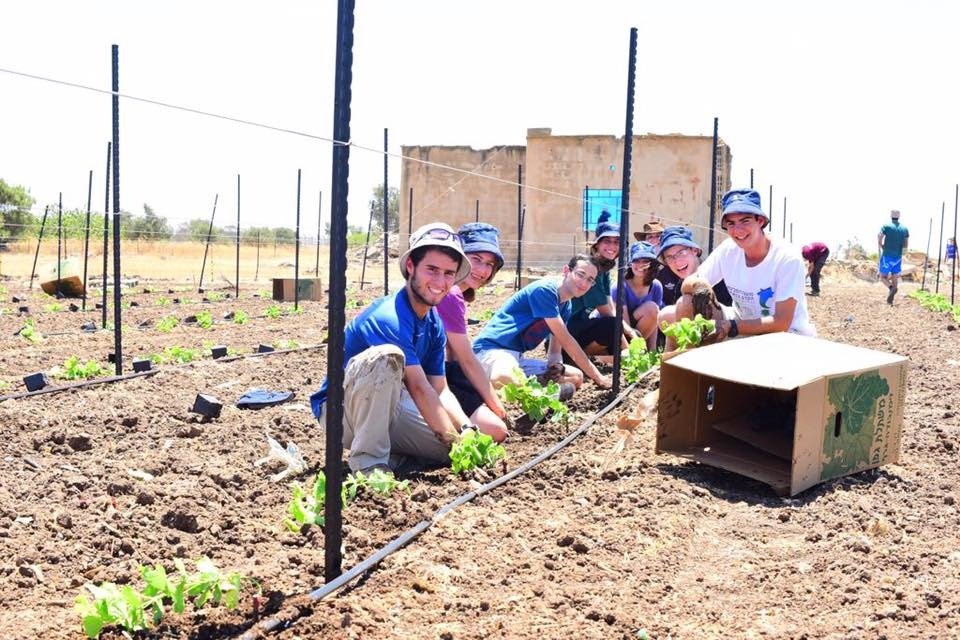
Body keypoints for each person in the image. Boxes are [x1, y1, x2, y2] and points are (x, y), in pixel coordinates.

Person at [309, 222, 476, 474]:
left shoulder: (434, 323)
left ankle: (395, 457)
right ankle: (369, 465)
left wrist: (466, 430)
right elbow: (419, 388)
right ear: (410, 266)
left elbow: (439, 389)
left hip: (389, 405)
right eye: (432, 269)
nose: (440, 281)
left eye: (449, 273)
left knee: (448, 452)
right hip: (341, 412)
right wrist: (456, 443)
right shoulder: (389, 317)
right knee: (388, 356)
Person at [671, 188, 814, 347]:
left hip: (785, 335)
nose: (738, 230)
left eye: (745, 221)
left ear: (760, 221)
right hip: (740, 323)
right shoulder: (728, 250)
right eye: (731, 223)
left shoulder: (786, 258)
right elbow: (689, 282)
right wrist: (700, 286)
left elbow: (781, 322)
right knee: (685, 303)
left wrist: (731, 327)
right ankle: (687, 359)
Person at [473, 254, 612, 392]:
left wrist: (557, 365)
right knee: (503, 377)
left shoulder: (566, 306)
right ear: (566, 271)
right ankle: (540, 394)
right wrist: (598, 377)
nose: (584, 283)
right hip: (492, 351)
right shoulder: (545, 290)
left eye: (590, 280)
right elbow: (567, 341)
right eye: (580, 274)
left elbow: (555, 352)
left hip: (516, 357)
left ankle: (529, 391)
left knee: (576, 376)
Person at [435, 222, 509, 442]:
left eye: (490, 264)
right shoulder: (450, 294)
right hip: (426, 378)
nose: (483, 270)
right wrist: (497, 406)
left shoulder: (455, 293)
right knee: (496, 430)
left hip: (438, 372)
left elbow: (456, 356)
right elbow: (466, 359)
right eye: (476, 259)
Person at [565, 210, 636, 361]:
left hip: (581, 327)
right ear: (597, 245)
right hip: (566, 334)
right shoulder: (592, 270)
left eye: (616, 242)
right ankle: (578, 357)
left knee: (627, 333)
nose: (612, 246)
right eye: (607, 241)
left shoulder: (604, 270)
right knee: (611, 328)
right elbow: (606, 313)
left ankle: (599, 358)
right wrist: (629, 349)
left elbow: (611, 306)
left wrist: (631, 332)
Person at [656, 225, 732, 325]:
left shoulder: (715, 273)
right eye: (669, 257)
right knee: (666, 315)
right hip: (703, 329)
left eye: (681, 253)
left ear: (694, 250)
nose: (677, 261)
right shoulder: (680, 284)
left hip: (730, 325)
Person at [611, 241, 663, 351]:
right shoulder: (620, 286)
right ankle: (630, 352)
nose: (640, 265)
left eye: (645, 261)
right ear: (630, 263)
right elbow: (623, 323)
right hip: (619, 330)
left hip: (638, 333)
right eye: (636, 260)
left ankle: (638, 351)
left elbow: (654, 322)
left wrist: (652, 351)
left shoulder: (656, 286)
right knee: (651, 308)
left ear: (652, 264)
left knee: (653, 309)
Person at [878, 209, 909, 304]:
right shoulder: (904, 229)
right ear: (899, 217)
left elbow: (880, 237)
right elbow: (906, 244)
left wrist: (881, 246)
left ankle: (891, 288)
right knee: (895, 275)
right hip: (898, 257)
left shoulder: (886, 226)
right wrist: (903, 252)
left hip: (887, 255)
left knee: (882, 277)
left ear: (891, 216)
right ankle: (892, 297)